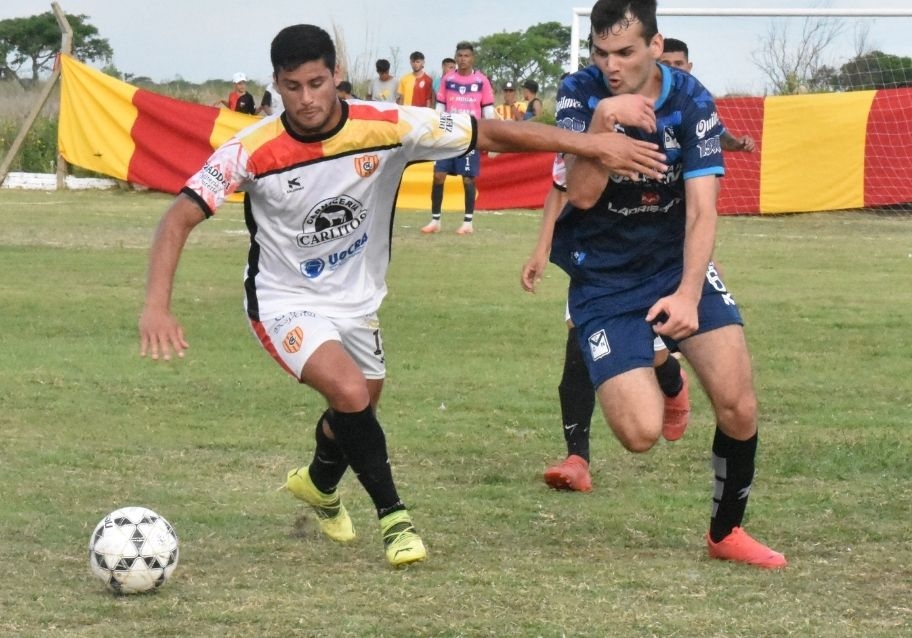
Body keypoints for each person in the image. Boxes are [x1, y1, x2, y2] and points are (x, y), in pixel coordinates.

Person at [138, 23, 666, 568]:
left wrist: (590, 144)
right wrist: (156, 305)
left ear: (336, 74)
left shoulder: (388, 125)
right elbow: (177, 218)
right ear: (276, 83)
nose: (306, 99)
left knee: (360, 405)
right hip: (283, 300)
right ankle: (396, 521)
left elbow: (490, 133)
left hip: (357, 303)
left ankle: (319, 483)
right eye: (292, 87)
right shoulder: (251, 150)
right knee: (349, 393)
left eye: (317, 83)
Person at [547, 0, 785, 569]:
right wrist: (604, 122)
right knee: (640, 433)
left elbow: (703, 210)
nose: (611, 65)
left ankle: (725, 533)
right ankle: (665, 372)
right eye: (601, 53)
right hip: (604, 279)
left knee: (739, 404)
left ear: (656, 46)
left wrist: (688, 292)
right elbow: (581, 194)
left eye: (625, 52)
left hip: (674, 268)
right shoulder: (579, 93)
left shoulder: (691, 99)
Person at [523, 152, 689, 493]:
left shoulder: (666, 132)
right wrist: (541, 249)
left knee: (654, 353)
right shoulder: (579, 131)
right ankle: (577, 459)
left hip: (654, 259)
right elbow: (559, 188)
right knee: (579, 339)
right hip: (597, 261)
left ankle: (673, 382)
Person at [421, 41, 496, 235]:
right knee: (438, 176)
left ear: (473, 58)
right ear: (456, 57)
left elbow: (488, 110)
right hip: (448, 135)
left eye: (467, 56)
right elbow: (440, 107)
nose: (463, 59)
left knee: (468, 179)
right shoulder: (447, 79)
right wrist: (436, 131)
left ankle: (468, 223)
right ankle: (435, 220)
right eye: (460, 56)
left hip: (470, 135)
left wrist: (491, 136)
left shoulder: (481, 81)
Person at [660, 38, 756, 152]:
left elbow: (718, 136)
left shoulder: (700, 100)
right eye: (666, 64)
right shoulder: (645, 99)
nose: (673, 69)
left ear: (689, 67)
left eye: (678, 64)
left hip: (690, 163)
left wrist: (737, 143)